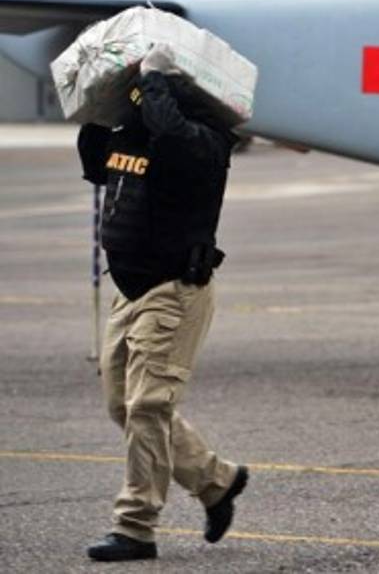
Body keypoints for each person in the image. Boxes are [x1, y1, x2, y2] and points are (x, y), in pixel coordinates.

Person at [78, 46, 248, 562]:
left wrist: (154, 81)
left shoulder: (203, 141)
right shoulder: (135, 132)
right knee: (120, 406)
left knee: (149, 406)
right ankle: (216, 482)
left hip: (175, 291)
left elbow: (172, 133)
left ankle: (135, 528)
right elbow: (95, 161)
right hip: (128, 291)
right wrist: (99, 102)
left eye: (159, 90)